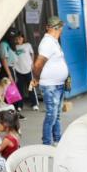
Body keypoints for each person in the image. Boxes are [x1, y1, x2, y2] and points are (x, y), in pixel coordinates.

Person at [31, 16, 69, 146]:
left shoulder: (53, 41)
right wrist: (36, 79)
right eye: (61, 27)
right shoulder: (47, 43)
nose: (62, 30)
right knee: (51, 116)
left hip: (57, 85)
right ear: (56, 28)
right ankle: (47, 143)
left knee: (56, 115)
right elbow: (37, 65)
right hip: (51, 86)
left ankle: (57, 140)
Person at [13, 32, 39, 111]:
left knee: (31, 87)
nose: (19, 40)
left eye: (20, 38)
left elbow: (32, 53)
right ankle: (20, 105)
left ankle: (34, 104)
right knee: (19, 88)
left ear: (23, 38)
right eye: (17, 38)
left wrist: (32, 63)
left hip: (28, 69)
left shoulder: (28, 45)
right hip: (18, 70)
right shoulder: (14, 47)